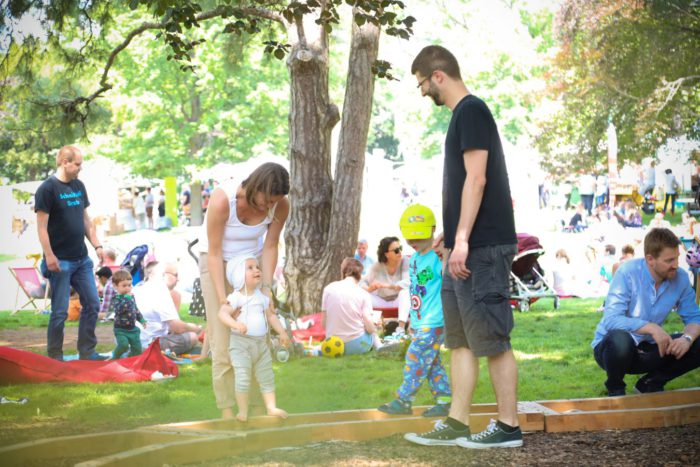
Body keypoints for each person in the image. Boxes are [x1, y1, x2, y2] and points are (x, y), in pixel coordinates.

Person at [405, 45, 521, 448]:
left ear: (438, 75)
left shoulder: (471, 110)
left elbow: (477, 179)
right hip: (464, 246)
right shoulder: (461, 117)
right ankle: (457, 422)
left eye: (421, 82)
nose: (421, 92)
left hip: (483, 248)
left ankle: (508, 427)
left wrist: (462, 239)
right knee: (460, 339)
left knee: (492, 338)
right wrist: (450, 235)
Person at [198, 162, 290, 419]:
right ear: (255, 187)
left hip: (250, 262)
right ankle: (228, 409)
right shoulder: (222, 200)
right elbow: (214, 253)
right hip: (217, 262)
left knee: (255, 337)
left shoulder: (281, 204)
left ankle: (257, 407)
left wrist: (267, 288)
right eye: (267, 200)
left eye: (275, 202)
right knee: (224, 338)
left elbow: (271, 245)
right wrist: (222, 300)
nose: (270, 207)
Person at [592, 228, 700, 396]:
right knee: (620, 339)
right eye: (669, 260)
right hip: (612, 350)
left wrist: (687, 338)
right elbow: (611, 319)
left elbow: (694, 318)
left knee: (698, 340)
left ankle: (650, 383)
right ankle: (616, 389)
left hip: (651, 348)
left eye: (677, 258)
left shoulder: (681, 277)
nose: (676, 265)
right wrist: (651, 327)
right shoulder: (627, 272)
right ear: (650, 259)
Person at [377, 204, 452, 417]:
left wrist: (445, 253)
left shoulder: (437, 258)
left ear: (432, 231)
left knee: (415, 357)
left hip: (435, 320)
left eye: (418, 238)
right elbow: (416, 293)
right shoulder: (415, 259)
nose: (413, 243)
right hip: (421, 321)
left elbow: (448, 280)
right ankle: (444, 400)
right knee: (432, 363)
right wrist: (411, 321)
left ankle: (404, 400)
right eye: (410, 239)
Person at [35, 145, 107, 361]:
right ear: (64, 162)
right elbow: (41, 227)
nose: (80, 168)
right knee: (59, 312)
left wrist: (97, 245)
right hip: (60, 260)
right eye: (77, 164)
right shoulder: (47, 189)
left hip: (82, 259)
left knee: (93, 304)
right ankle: (55, 356)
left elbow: (86, 219)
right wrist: (49, 256)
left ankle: (87, 351)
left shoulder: (78, 185)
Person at [218, 255, 290, 422]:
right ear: (238, 276)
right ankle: (242, 411)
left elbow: (271, 317)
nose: (256, 270)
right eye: (250, 268)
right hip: (241, 344)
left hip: (260, 345)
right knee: (242, 376)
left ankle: (271, 407)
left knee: (267, 376)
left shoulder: (262, 298)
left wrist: (282, 333)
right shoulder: (235, 297)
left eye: (257, 267)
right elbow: (222, 314)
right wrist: (235, 325)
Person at [133, 262, 202, 355]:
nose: (178, 279)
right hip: (148, 345)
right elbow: (177, 328)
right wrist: (196, 328)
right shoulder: (161, 291)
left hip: (130, 341)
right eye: (175, 275)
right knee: (193, 336)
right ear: (163, 275)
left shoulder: (137, 287)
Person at [322, 258, 382, 354]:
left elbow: (324, 324)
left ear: (344, 272)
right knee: (371, 330)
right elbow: (369, 327)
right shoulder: (363, 294)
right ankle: (380, 347)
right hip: (356, 346)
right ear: (360, 275)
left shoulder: (328, 289)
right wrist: (375, 326)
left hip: (333, 345)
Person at [360, 236, 410, 323]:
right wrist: (368, 289)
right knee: (363, 295)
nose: (400, 252)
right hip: (381, 300)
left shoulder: (405, 260)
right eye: (396, 250)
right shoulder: (378, 265)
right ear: (386, 254)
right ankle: (369, 326)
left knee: (405, 292)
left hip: (399, 300)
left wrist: (385, 285)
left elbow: (407, 282)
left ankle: (401, 328)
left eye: (400, 248)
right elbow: (362, 282)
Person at [111, 269, 147, 359]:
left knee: (137, 349)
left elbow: (135, 309)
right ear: (115, 286)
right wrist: (126, 299)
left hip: (132, 329)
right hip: (121, 329)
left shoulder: (131, 297)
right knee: (123, 345)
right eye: (124, 286)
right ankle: (115, 357)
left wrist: (142, 319)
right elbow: (119, 310)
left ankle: (131, 359)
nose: (127, 288)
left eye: (129, 285)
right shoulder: (116, 298)